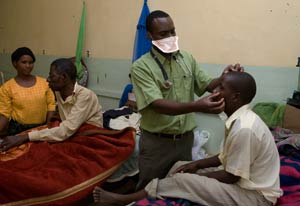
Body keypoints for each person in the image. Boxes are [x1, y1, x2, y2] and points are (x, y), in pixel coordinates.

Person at [93, 71, 282, 206]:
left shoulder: (244, 128)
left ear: (235, 97)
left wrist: (198, 178)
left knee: (184, 180)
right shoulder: (238, 119)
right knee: (180, 166)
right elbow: (224, 156)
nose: (215, 91)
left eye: (221, 88)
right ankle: (160, 191)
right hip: (240, 180)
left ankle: (124, 199)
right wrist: (197, 165)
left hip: (255, 197)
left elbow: (231, 176)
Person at [130, 10, 243, 190]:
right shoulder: (141, 67)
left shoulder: (186, 59)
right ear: (149, 35)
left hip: (185, 141)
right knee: (149, 189)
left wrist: (223, 78)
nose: (170, 37)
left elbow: (207, 84)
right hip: (157, 143)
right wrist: (197, 105)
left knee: (180, 188)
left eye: (172, 31)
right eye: (163, 34)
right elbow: (157, 104)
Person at [0, 58, 103, 152]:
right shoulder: (58, 92)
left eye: (51, 76)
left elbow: (65, 130)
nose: (48, 80)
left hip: (88, 135)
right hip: (71, 132)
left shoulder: (85, 95)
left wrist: (25, 137)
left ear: (63, 77)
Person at [0, 47, 56, 137]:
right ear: (15, 64)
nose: (28, 66)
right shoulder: (7, 88)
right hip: (18, 131)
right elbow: (5, 114)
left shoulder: (44, 83)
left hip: (40, 129)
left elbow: (51, 106)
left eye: (30, 63)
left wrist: (48, 127)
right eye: (24, 62)